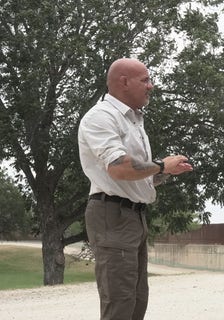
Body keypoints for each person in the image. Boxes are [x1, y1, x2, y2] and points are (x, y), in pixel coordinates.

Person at [78, 58, 193, 320]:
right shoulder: (101, 117)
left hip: (133, 217)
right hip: (112, 216)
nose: (151, 86)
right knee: (119, 304)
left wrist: (165, 172)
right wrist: (162, 165)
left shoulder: (134, 121)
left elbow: (136, 178)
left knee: (136, 302)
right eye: (145, 80)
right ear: (123, 82)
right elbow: (120, 168)